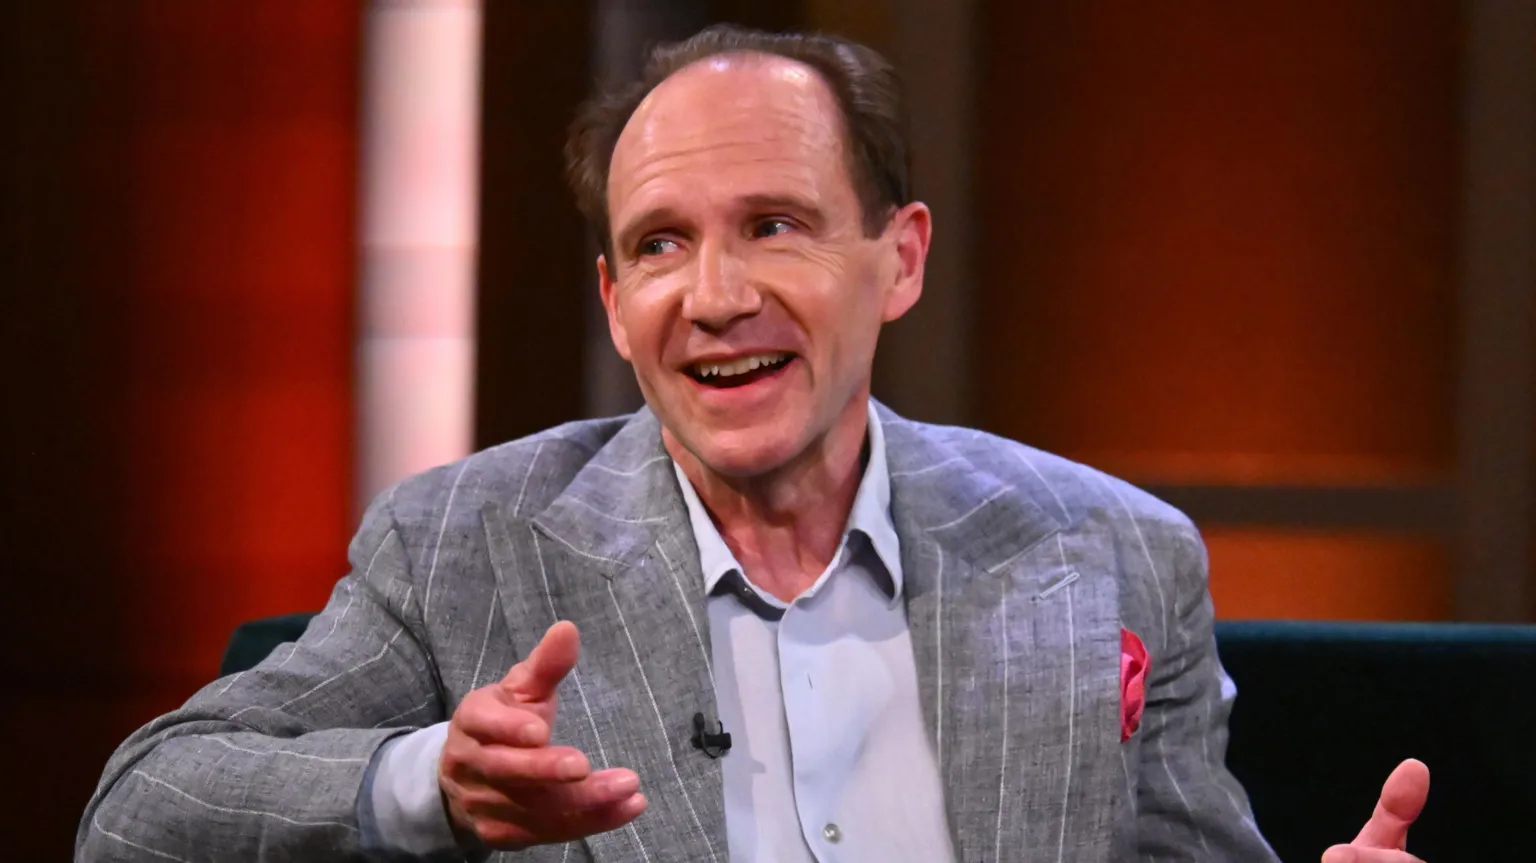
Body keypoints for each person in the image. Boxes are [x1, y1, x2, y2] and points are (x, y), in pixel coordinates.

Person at [77, 24, 1431, 863]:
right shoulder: (464, 545)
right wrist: (428, 776)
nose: (714, 294)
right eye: (660, 244)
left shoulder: (1112, 552)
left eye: (774, 223)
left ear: (895, 260)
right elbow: (141, 810)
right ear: (614, 304)